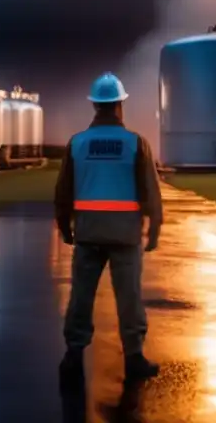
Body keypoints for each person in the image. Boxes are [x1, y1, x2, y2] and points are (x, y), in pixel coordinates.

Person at [55, 72, 164, 380]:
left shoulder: (77, 143)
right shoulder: (135, 143)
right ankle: (134, 358)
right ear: (119, 104)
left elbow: (63, 192)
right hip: (126, 235)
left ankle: (73, 356)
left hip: (88, 233)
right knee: (128, 296)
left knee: (81, 297)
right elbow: (150, 192)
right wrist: (153, 231)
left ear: (94, 106)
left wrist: (65, 228)